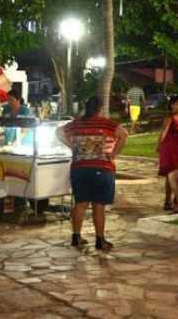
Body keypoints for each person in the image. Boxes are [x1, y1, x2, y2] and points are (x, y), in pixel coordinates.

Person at [57, 96, 129, 251]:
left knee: (80, 203)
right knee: (98, 205)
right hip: (101, 168)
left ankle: (76, 237)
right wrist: (113, 153)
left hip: (79, 168)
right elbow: (124, 135)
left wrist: (72, 146)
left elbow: (59, 132)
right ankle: (100, 239)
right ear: (100, 109)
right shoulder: (107, 124)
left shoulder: (75, 124)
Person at [156, 96, 178, 211]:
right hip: (170, 150)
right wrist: (159, 145)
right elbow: (163, 131)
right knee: (170, 175)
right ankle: (168, 201)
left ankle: (176, 199)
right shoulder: (169, 118)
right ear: (172, 105)